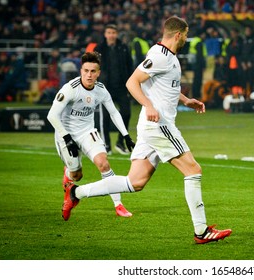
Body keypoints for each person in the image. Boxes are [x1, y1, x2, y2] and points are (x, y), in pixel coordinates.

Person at [61, 16, 232, 244]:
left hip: (150, 127)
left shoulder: (169, 57)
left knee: (135, 182)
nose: (187, 39)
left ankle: (76, 193)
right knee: (193, 170)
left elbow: (164, 88)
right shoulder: (160, 55)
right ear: (178, 34)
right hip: (159, 126)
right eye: (186, 34)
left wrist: (186, 100)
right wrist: (148, 105)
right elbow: (132, 82)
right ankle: (201, 231)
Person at [47, 51, 136, 218]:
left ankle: (118, 205)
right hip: (65, 133)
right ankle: (69, 177)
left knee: (104, 164)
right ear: (81, 70)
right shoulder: (70, 89)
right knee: (77, 175)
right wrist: (67, 138)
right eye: (86, 70)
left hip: (87, 132)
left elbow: (114, 113)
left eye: (93, 71)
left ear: (98, 73)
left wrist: (126, 136)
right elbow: (52, 115)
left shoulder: (101, 90)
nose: (89, 75)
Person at [95, 24, 133, 155]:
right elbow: (93, 67)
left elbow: (130, 67)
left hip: (122, 87)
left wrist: (130, 85)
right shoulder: (99, 48)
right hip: (105, 89)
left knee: (127, 113)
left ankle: (120, 142)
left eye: (113, 32)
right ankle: (106, 145)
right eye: (109, 32)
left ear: (116, 34)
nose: (111, 35)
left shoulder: (123, 48)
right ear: (105, 34)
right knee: (104, 117)